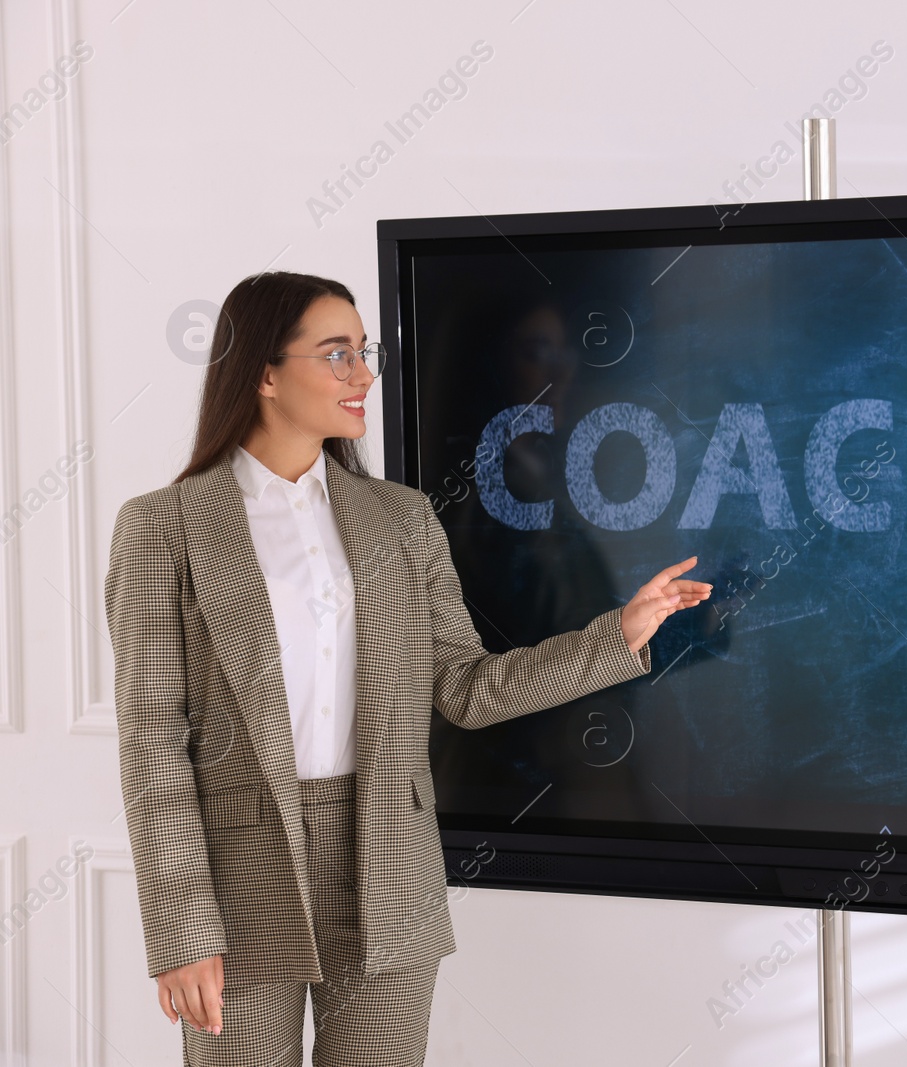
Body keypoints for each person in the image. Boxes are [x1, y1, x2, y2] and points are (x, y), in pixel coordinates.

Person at [103, 271, 710, 1064]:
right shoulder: (162, 528)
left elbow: (467, 687)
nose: (363, 375)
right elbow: (153, 741)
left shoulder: (401, 518)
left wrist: (617, 634)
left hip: (389, 863)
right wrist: (181, 927)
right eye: (337, 354)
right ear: (263, 372)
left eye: (366, 352)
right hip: (241, 877)